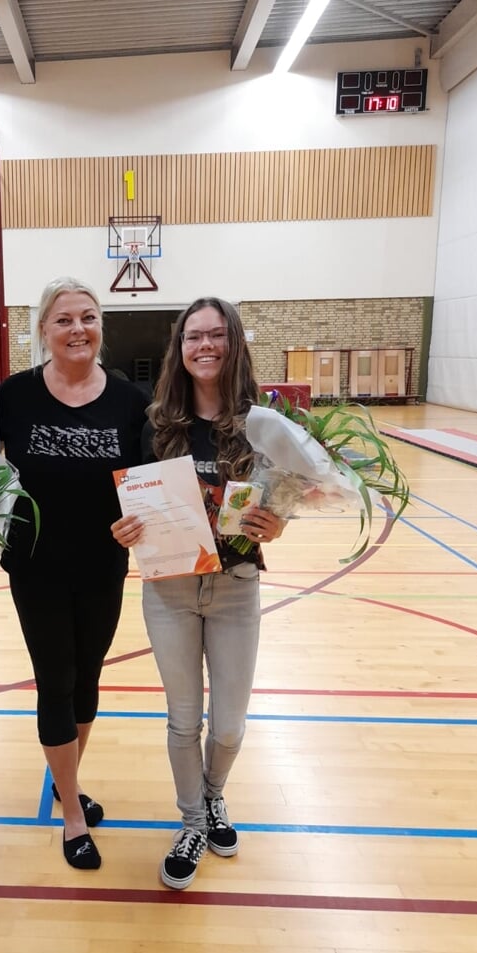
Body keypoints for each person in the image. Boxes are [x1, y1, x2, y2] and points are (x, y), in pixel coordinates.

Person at [111, 296, 286, 890]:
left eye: (216, 335)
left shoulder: (263, 424)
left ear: (234, 342)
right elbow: (138, 503)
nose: (204, 345)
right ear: (179, 348)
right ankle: (192, 820)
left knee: (229, 725)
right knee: (183, 719)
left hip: (237, 587)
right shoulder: (156, 421)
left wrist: (277, 522)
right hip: (172, 591)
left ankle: (214, 796)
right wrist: (127, 528)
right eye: (193, 336)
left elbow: (280, 500)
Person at [0, 278, 150, 870]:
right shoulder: (15, 396)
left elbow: (148, 485)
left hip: (103, 565)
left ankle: (67, 782)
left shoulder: (131, 401)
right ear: (43, 330)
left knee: (87, 680)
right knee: (54, 681)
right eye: (63, 320)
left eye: (88, 317)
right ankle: (71, 816)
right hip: (34, 565)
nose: (78, 329)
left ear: (100, 327)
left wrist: (141, 522)